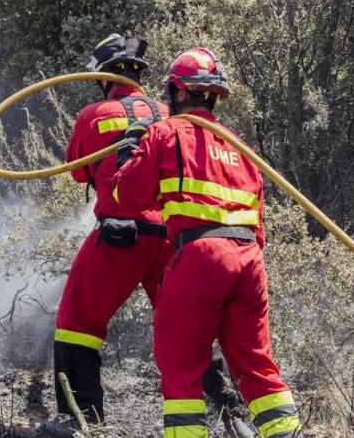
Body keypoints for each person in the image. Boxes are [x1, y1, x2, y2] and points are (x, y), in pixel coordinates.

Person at [112, 47, 304, 438]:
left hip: (200, 258)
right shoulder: (241, 147)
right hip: (249, 262)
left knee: (181, 369)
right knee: (257, 365)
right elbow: (259, 222)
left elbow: (128, 197)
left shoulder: (165, 133)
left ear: (179, 92)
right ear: (215, 96)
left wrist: (130, 150)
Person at [39, 33, 174, 436]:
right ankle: (225, 409)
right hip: (169, 237)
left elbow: (79, 171)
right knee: (183, 323)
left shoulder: (96, 114)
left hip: (120, 236)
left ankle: (81, 420)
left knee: (76, 320)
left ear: (102, 77)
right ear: (138, 74)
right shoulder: (170, 113)